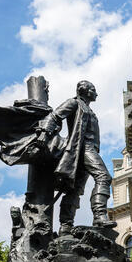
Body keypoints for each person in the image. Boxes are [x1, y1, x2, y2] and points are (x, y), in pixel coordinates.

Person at [36, 80, 116, 236]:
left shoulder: (89, 110)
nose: (96, 93)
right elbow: (54, 116)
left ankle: (66, 227)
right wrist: (44, 133)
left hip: (89, 150)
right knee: (104, 177)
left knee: (74, 190)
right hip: (82, 148)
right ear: (84, 90)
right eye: (93, 89)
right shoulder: (74, 103)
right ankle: (100, 215)